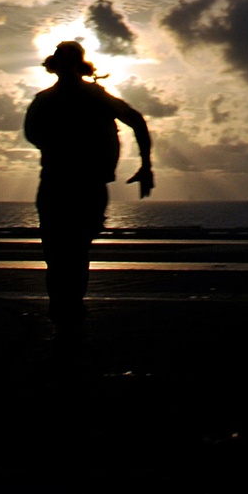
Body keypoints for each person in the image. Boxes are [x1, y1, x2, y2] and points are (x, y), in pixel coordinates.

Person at [24, 40, 153, 330]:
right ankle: (65, 314)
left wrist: (147, 165)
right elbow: (136, 121)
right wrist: (146, 165)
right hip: (71, 186)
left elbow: (33, 135)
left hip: (69, 186)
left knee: (66, 255)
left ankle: (65, 314)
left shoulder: (50, 100)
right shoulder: (89, 97)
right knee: (66, 255)